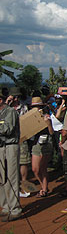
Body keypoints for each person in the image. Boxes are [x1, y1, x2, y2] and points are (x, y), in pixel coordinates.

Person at [6, 87, 32, 197]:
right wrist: (7, 103)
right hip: (8, 140)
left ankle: (24, 186)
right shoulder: (5, 109)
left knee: (23, 162)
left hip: (21, 138)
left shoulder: (23, 108)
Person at [0, 91, 22, 222]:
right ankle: (5, 206)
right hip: (1, 147)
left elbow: (7, 129)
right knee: (2, 178)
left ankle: (15, 209)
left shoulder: (10, 112)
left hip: (10, 146)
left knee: (11, 177)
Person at [29, 97, 54, 197]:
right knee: (35, 169)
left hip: (45, 142)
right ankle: (43, 185)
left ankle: (44, 189)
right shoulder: (30, 118)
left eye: (38, 107)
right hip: (36, 143)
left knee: (42, 167)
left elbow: (52, 132)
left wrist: (48, 124)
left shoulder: (47, 116)